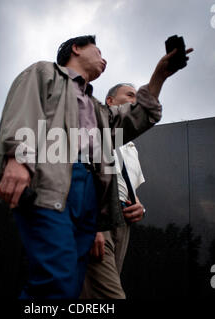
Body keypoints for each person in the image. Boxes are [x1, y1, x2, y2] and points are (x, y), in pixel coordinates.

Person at [0, 35, 193, 299]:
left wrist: (160, 76)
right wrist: (18, 158)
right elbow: (23, 110)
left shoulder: (98, 110)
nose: (105, 59)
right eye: (98, 51)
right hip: (52, 181)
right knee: (56, 279)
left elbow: (138, 117)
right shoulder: (45, 72)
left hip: (92, 197)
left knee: (73, 285)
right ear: (76, 48)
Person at [80, 83, 146, 299]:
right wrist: (93, 224)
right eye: (129, 95)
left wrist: (139, 207)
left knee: (95, 289)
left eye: (137, 97)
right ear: (110, 102)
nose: (134, 100)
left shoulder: (131, 149)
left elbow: (131, 189)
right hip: (99, 212)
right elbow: (84, 174)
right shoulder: (93, 132)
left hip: (124, 224)